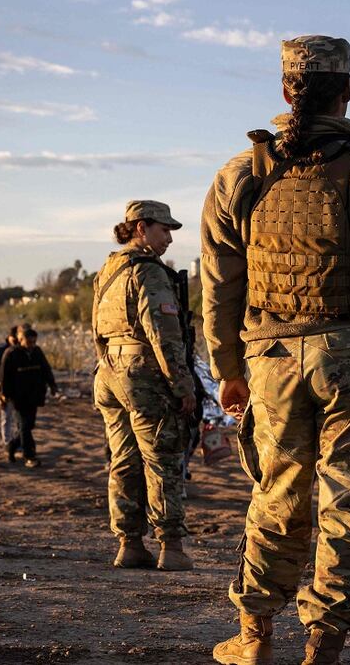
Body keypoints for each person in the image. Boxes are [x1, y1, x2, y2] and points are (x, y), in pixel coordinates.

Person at [204, 35, 350, 665]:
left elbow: (220, 288)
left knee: (276, 494)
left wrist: (228, 370)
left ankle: (253, 639)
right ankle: (323, 650)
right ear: (348, 91)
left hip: (270, 361)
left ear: (285, 90)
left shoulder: (239, 175)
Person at [92, 200, 197, 572]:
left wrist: (110, 367)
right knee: (162, 458)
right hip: (143, 373)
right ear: (141, 228)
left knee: (123, 460)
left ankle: (130, 544)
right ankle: (171, 546)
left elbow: (97, 332)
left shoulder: (108, 270)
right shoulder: (148, 272)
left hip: (109, 371)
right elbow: (164, 335)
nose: (169, 237)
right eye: (163, 229)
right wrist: (182, 385)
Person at [0, 327, 57, 469]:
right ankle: (29, 456)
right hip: (18, 397)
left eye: (34, 341)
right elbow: (3, 376)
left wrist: (52, 385)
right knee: (24, 426)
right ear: (21, 340)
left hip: (34, 395)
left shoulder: (37, 352)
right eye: (29, 341)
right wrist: (4, 394)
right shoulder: (11, 353)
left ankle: (11, 447)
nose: (32, 344)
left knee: (29, 426)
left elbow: (46, 369)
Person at [0, 325, 28, 461]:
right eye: (14, 337)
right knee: (6, 418)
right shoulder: (0, 350)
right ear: (9, 337)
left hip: (18, 389)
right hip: (3, 389)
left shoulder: (22, 350)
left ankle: (17, 444)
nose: (16, 340)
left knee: (19, 419)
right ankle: (7, 443)